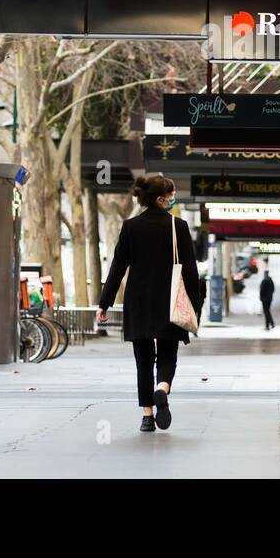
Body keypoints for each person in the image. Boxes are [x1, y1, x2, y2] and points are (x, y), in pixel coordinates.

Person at [96, 175, 202, 433]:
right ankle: (161, 388)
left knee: (143, 360)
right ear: (161, 199)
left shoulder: (130, 227)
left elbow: (117, 268)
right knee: (168, 354)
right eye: (172, 193)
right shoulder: (179, 226)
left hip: (139, 302)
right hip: (170, 301)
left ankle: (147, 416)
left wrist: (105, 303)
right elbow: (190, 271)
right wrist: (195, 308)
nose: (175, 196)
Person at [259, 265, 276, 330]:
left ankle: (268, 325)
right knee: (267, 311)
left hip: (265, 299)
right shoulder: (270, 280)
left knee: (266, 312)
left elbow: (262, 290)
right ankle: (271, 323)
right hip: (269, 298)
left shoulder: (264, 281)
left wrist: (261, 297)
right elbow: (273, 289)